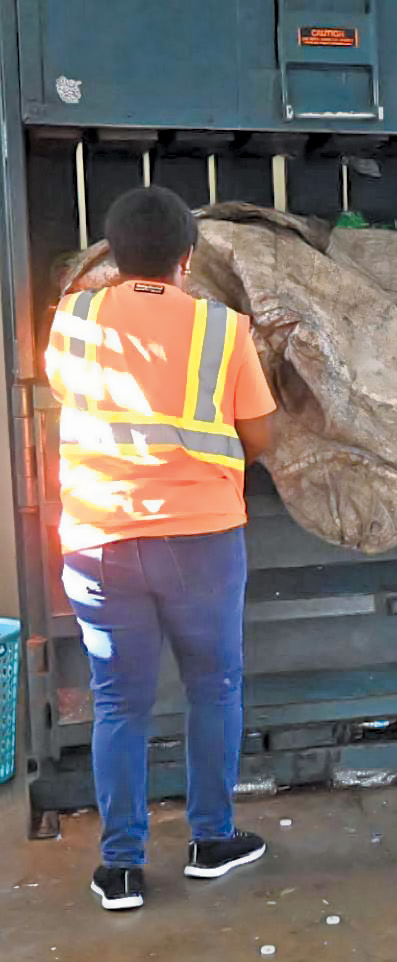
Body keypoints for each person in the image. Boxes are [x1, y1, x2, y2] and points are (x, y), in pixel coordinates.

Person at [46, 187, 277, 910]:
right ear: (188, 258)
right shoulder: (222, 329)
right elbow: (259, 435)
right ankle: (211, 841)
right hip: (200, 539)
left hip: (98, 541)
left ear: (108, 258)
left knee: (119, 702)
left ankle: (120, 867)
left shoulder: (69, 321)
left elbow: (69, 396)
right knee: (213, 687)